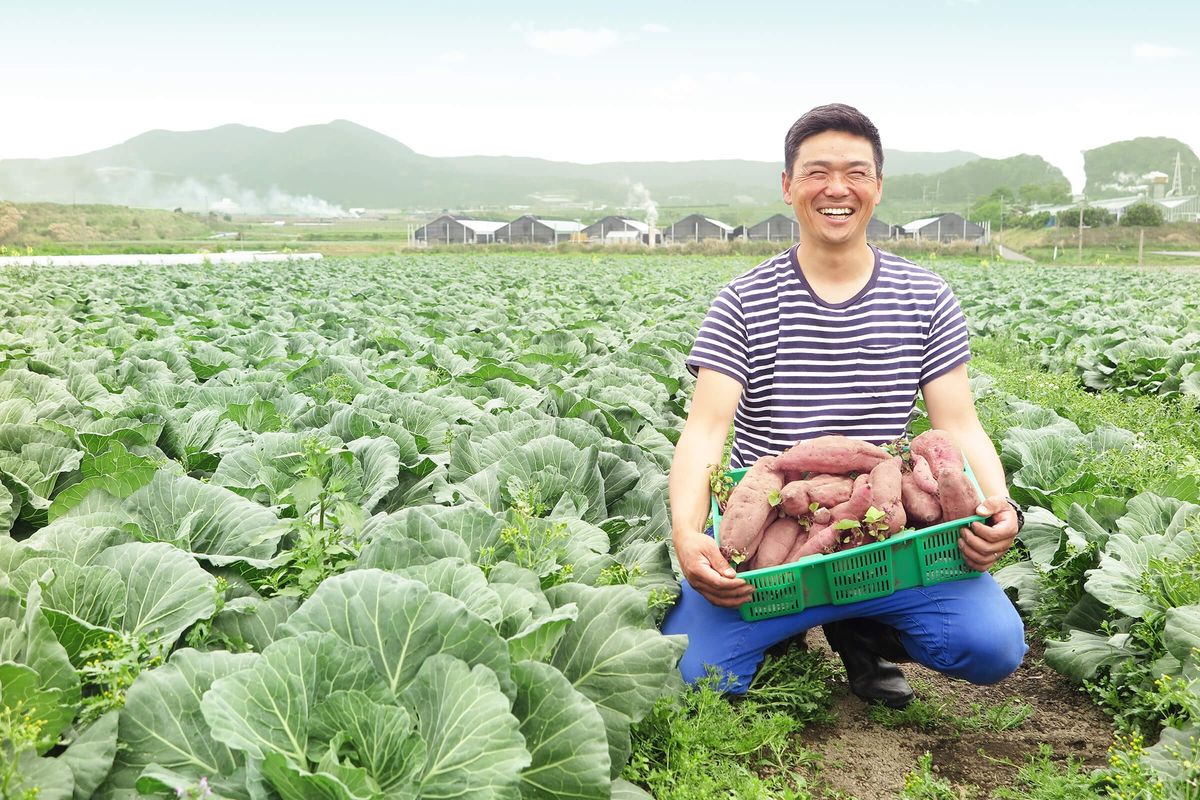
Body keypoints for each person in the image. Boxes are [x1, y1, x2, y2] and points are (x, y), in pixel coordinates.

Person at [661, 103, 1027, 708]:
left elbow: (959, 424)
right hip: (773, 528)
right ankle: (789, 616)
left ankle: (861, 627)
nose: (837, 189)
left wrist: (1000, 505)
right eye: (817, 173)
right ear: (788, 186)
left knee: (991, 647)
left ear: (878, 187)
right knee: (691, 675)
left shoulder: (926, 295)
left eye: (856, 173)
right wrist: (686, 532)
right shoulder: (743, 301)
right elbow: (704, 432)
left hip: (889, 531)